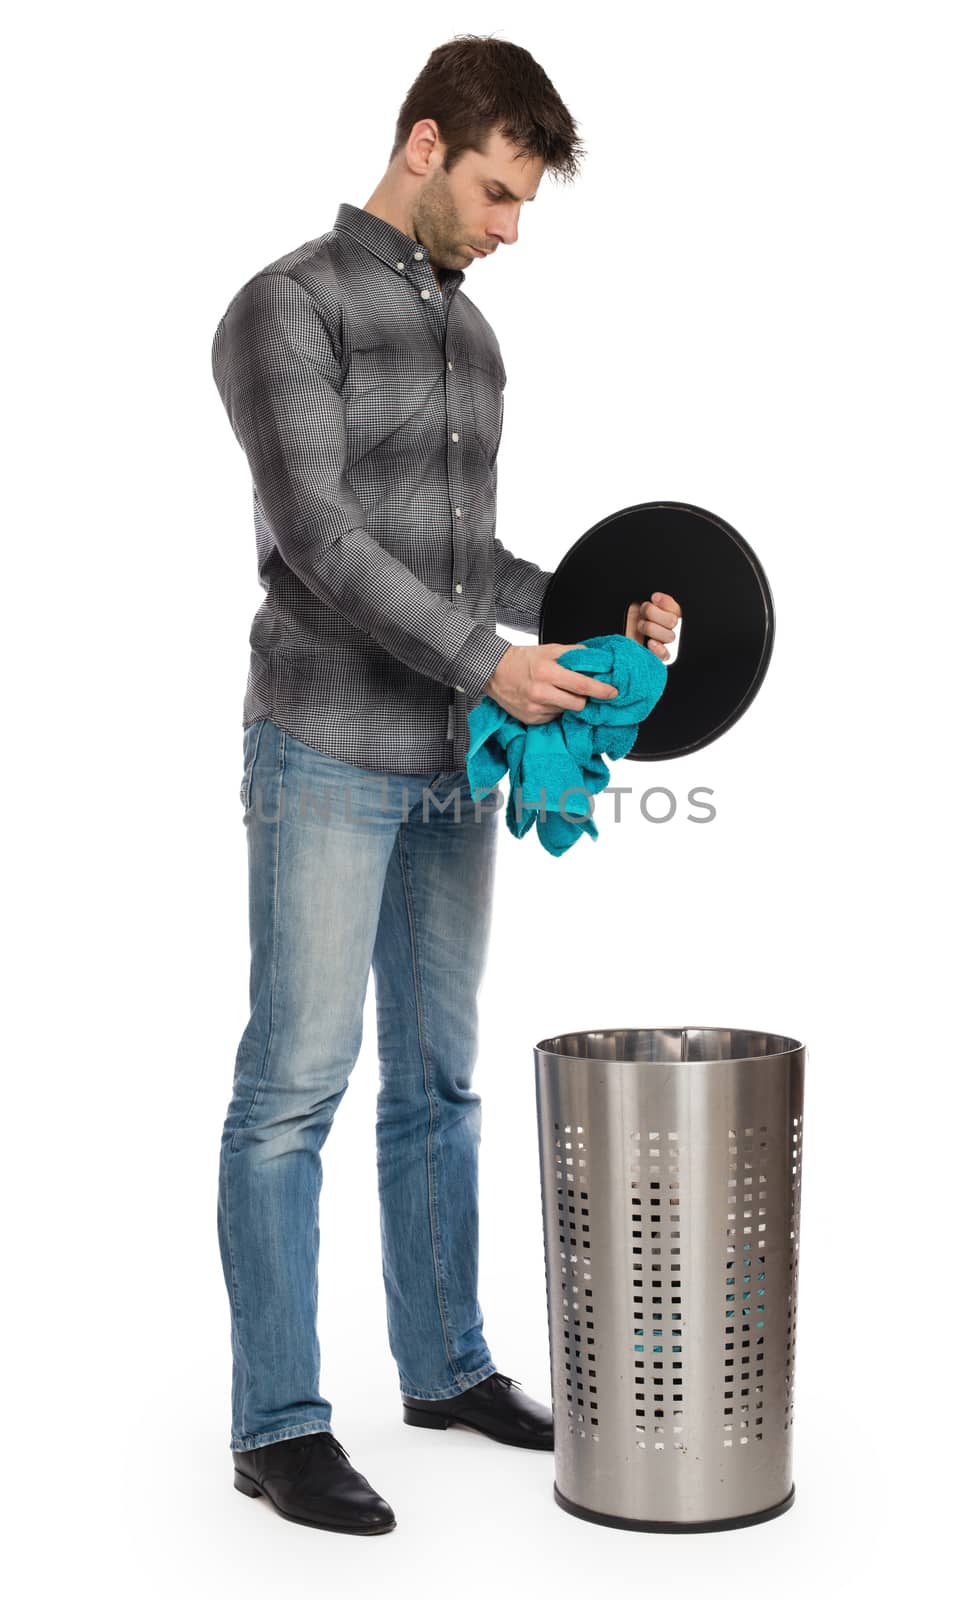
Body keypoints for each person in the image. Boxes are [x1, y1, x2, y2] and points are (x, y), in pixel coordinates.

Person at [211, 33, 681, 1537]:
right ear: (423, 143)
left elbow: (469, 571)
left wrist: (596, 619)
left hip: (446, 768)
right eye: (496, 191)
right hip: (327, 748)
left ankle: (446, 1366)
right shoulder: (287, 308)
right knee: (295, 1090)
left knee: (444, 1083)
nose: (509, 228)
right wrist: (491, 663)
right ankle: (278, 1423)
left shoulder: (475, 340)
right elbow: (323, 544)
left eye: (526, 202)